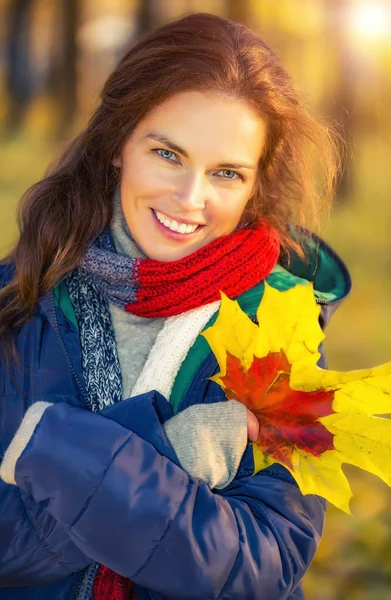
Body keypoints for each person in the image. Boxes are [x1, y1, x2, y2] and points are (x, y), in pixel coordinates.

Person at [0, 12, 351, 600]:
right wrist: (173, 454)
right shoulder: (20, 295)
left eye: (226, 173)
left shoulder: (283, 327)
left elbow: (259, 567)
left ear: (255, 183)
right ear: (118, 144)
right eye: (167, 154)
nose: (191, 199)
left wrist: (58, 455)